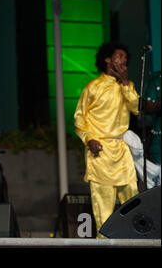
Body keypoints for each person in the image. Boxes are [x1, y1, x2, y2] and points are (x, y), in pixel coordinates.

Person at [74, 42, 140, 238]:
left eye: (126, 58)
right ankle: (105, 242)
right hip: (100, 152)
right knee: (104, 210)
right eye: (119, 56)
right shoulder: (93, 87)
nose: (124, 60)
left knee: (133, 201)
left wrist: (126, 82)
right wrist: (89, 139)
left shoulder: (126, 86)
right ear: (107, 59)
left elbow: (136, 107)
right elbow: (79, 118)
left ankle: (137, 240)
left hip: (121, 150)